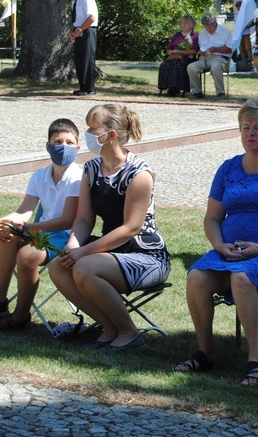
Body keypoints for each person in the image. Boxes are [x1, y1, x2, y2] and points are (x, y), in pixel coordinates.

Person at [179, 98, 258, 387]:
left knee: (242, 277)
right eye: (245, 127)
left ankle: (256, 359)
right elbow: (212, 218)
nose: (250, 133)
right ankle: (205, 351)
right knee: (196, 276)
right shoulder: (228, 168)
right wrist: (218, 245)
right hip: (230, 252)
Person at [48, 104, 171, 350]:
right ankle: (109, 327)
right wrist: (72, 246)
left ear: (111, 135)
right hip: (111, 252)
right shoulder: (91, 169)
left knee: (84, 266)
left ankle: (129, 333)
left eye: (93, 129)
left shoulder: (139, 173)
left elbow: (131, 228)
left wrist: (82, 252)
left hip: (146, 256)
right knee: (58, 267)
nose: (88, 134)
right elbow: (83, 220)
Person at [0, 119, 83, 329]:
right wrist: (7, 221)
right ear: (48, 146)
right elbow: (25, 210)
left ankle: (20, 317)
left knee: (26, 256)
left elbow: (67, 220)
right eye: (58, 141)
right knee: (8, 235)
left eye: (70, 143)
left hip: (66, 237)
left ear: (78, 148)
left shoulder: (78, 177)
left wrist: (27, 228)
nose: (64, 147)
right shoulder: (40, 175)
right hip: (41, 233)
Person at [187, 13, 232, 99]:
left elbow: (230, 49)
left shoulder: (224, 31)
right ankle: (197, 92)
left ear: (215, 23)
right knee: (191, 67)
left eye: (210, 27)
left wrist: (216, 49)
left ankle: (220, 93)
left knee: (215, 67)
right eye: (206, 27)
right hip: (205, 58)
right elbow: (202, 48)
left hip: (220, 58)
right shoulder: (203, 33)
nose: (208, 29)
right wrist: (201, 52)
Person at [67, 0, 98, 97]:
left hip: (87, 31)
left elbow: (91, 17)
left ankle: (90, 88)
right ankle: (83, 86)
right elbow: (77, 18)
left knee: (87, 59)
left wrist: (80, 30)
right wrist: (73, 30)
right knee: (79, 59)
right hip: (79, 30)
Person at [158, 15, 199, 97]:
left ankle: (175, 89)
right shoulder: (177, 35)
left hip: (187, 59)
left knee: (178, 65)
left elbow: (195, 51)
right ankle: (166, 87)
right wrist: (171, 52)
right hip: (174, 57)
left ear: (191, 25)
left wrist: (181, 52)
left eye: (185, 23)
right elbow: (168, 48)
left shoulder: (195, 36)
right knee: (164, 65)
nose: (183, 25)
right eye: (182, 23)